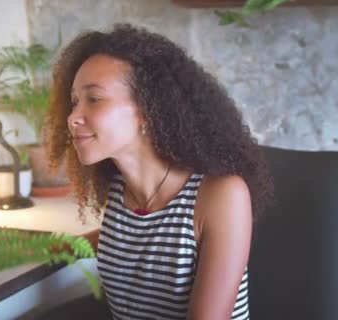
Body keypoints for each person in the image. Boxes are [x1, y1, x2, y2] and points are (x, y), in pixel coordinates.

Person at [46, 23, 272, 320]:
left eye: (94, 99)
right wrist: (49, 246)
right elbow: (136, 235)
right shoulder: (118, 190)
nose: (73, 117)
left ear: (146, 111)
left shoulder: (220, 194)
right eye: (75, 102)